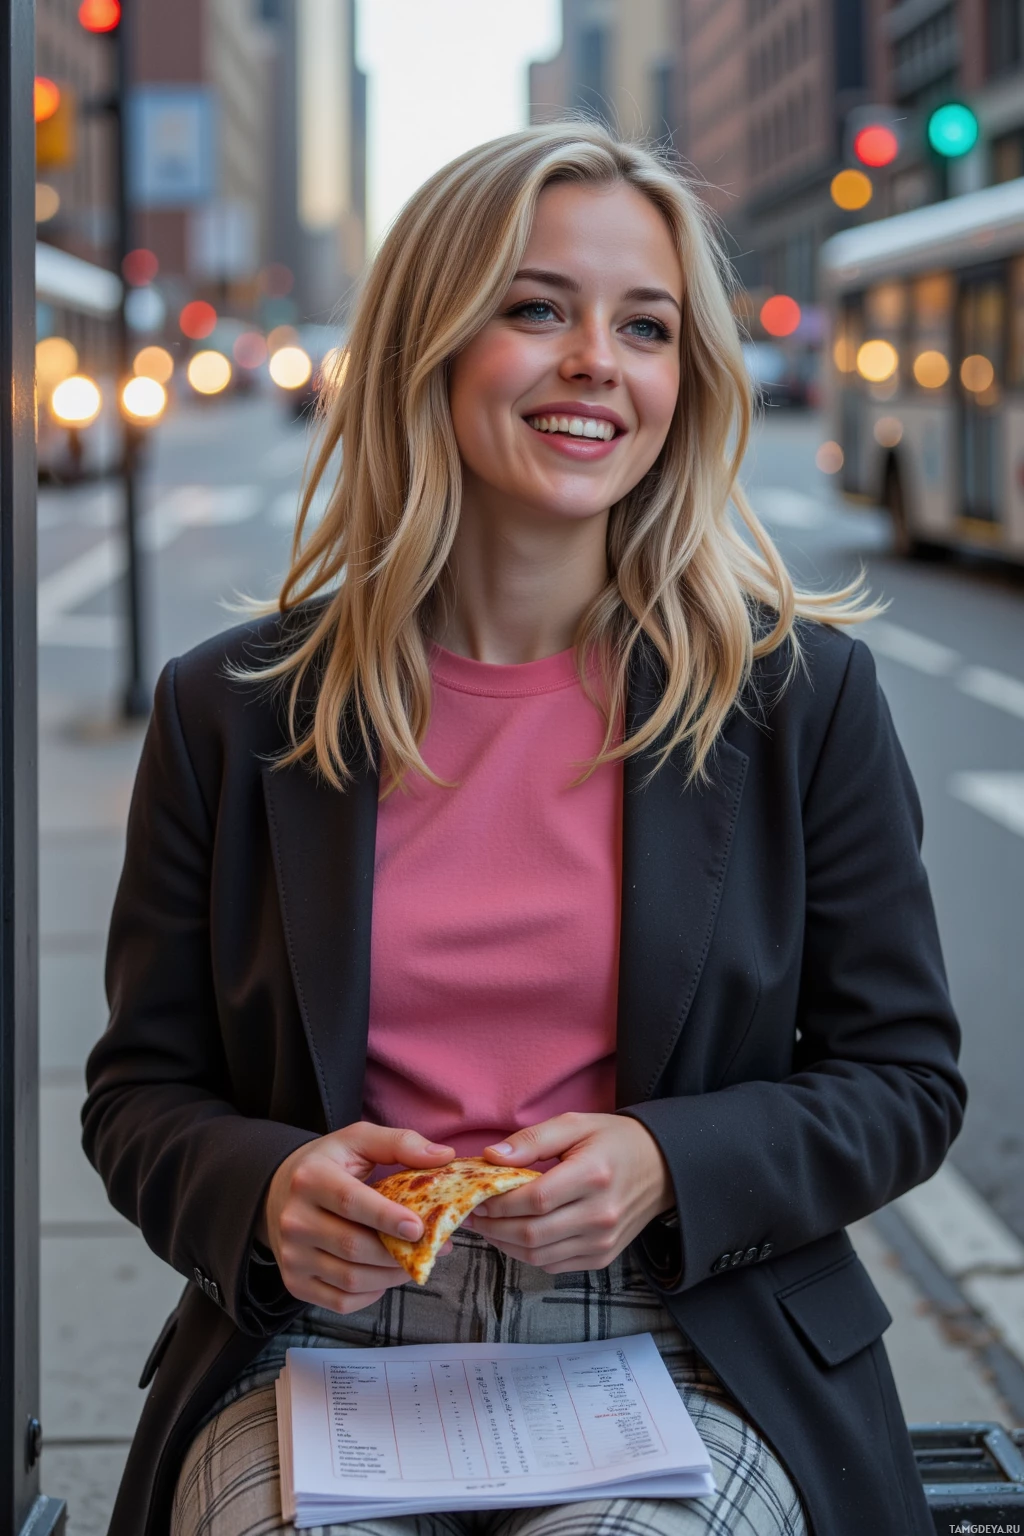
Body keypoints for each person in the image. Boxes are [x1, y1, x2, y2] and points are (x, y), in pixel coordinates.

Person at [82, 122, 965, 1536]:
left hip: (687, 1336)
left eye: (646, 326)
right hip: (326, 1342)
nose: (597, 362)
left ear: (687, 377)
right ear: (428, 346)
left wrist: (670, 1162)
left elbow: (905, 1080)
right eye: (538, 308)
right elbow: (139, 1096)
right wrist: (266, 1191)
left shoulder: (798, 699)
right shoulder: (230, 711)